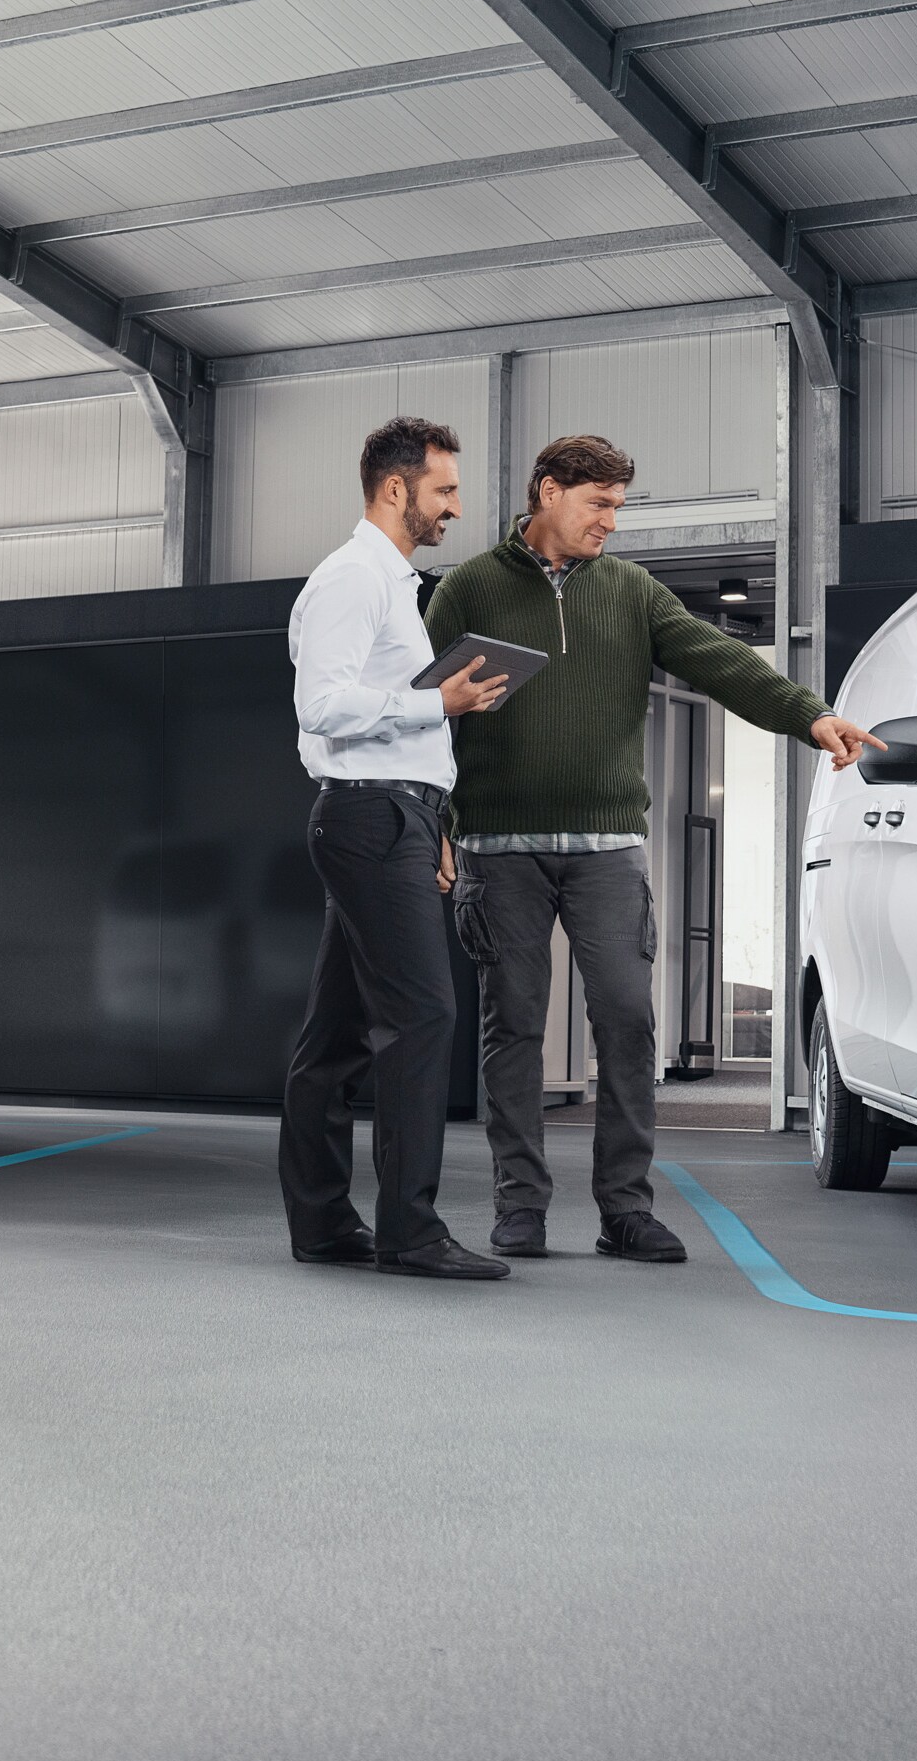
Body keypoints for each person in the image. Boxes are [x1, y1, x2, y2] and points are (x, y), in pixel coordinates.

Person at [426, 435, 882, 1261]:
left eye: (618, 507)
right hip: (499, 851)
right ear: (548, 491)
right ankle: (519, 1205)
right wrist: (434, 824)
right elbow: (415, 711)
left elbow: (723, 661)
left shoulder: (632, 591)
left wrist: (809, 715)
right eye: (598, 503)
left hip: (608, 851)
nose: (611, 522)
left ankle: (625, 1209)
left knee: (630, 1024)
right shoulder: (469, 588)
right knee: (513, 1028)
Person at [279, 415, 516, 1280]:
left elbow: (387, 723)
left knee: (336, 1036)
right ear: (395, 489)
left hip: (396, 818)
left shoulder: (394, 586)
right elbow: (322, 706)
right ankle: (410, 1233)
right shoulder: (353, 579)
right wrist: (436, 705)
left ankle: (320, 1224)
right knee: (423, 1015)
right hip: (370, 819)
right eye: (444, 490)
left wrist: (435, 819)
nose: (455, 506)